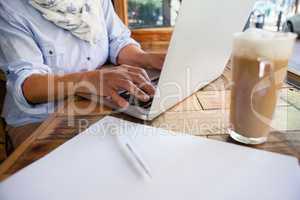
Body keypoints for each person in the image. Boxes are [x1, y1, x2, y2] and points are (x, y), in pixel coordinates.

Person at [0, 0, 165, 148]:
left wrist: (147, 59)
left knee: (151, 140)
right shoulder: (9, 7)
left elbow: (117, 41)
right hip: (42, 119)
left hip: (98, 104)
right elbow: (28, 86)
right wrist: (90, 80)